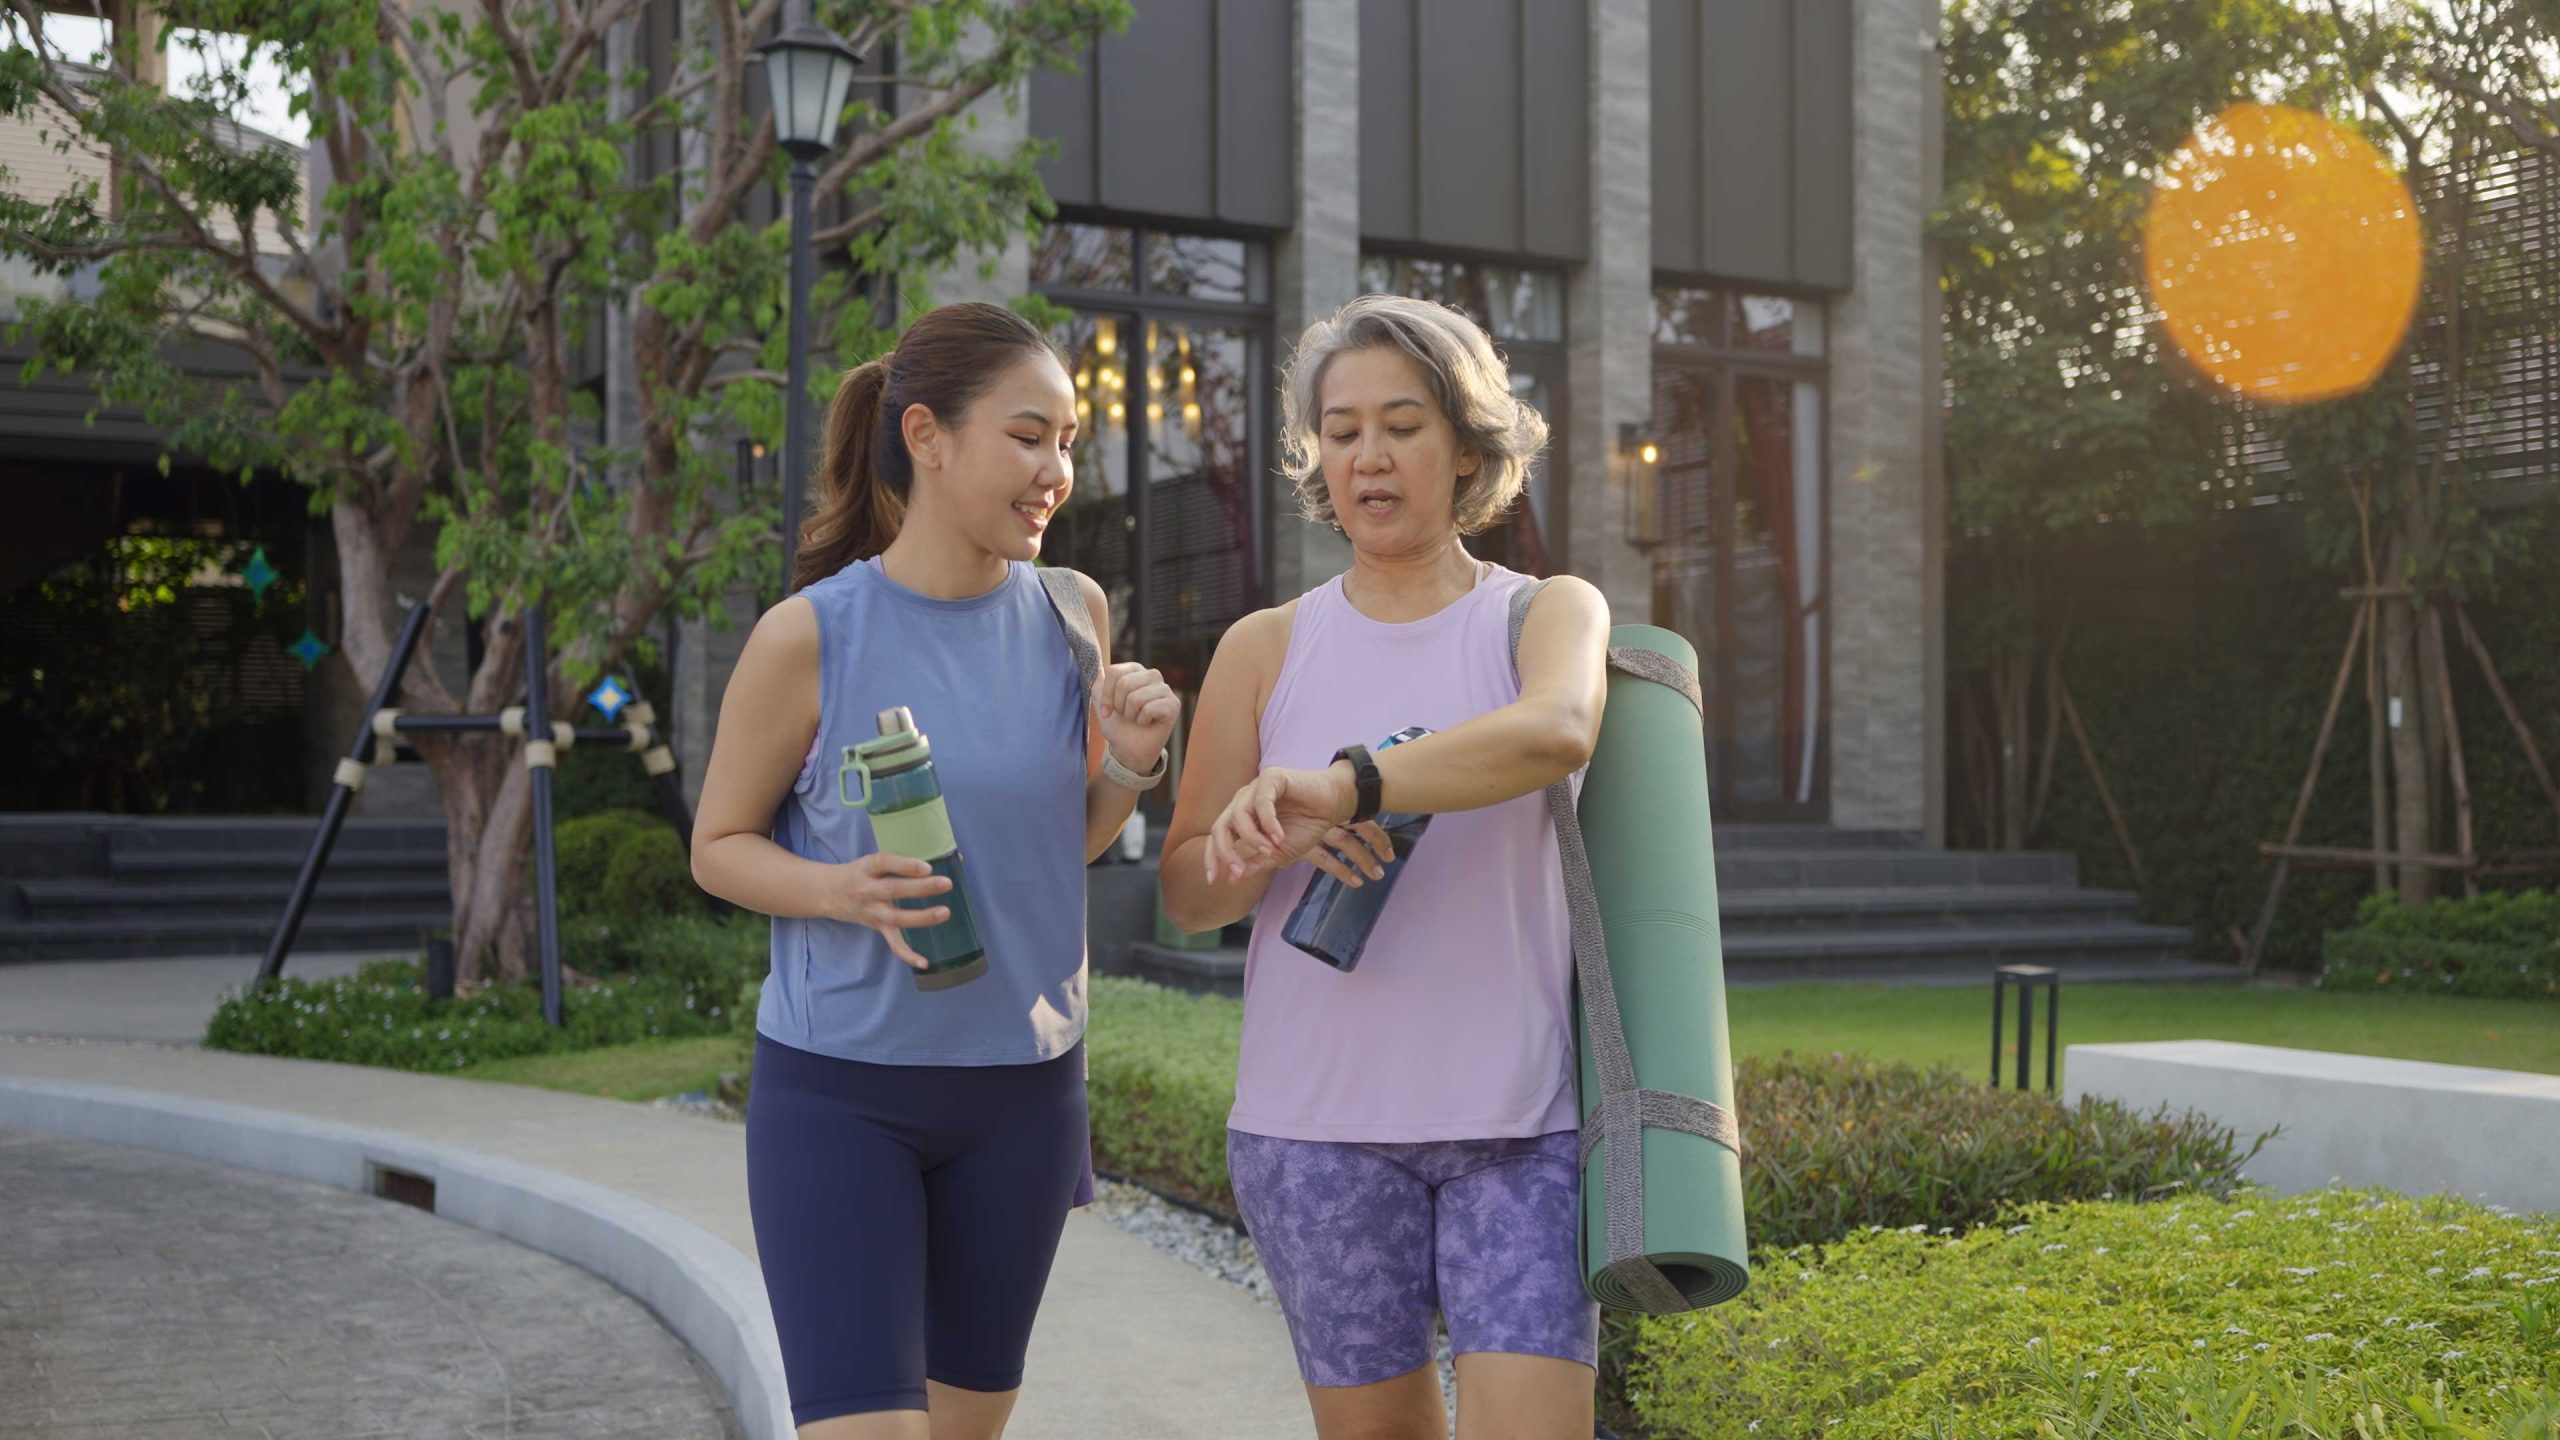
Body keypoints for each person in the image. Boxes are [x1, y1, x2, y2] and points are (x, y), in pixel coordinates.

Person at [691, 301, 1178, 1440]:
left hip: (1026, 1096)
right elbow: (718, 846)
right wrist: (836, 890)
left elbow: (1065, 846)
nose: (1058, 469)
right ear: (927, 436)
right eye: (1029, 436)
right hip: (841, 1097)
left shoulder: (1072, 614)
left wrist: (1137, 764)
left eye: (1067, 441)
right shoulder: (809, 635)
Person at [1159, 293, 1611, 1440]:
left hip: (1522, 1125)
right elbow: (1185, 894)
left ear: (1468, 445)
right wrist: (1278, 836)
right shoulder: (1264, 647)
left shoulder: (1545, 613)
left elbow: (1556, 729)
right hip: (1313, 1131)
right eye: (1343, 429)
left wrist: (1349, 783)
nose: (1368, 456)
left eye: (1402, 425)